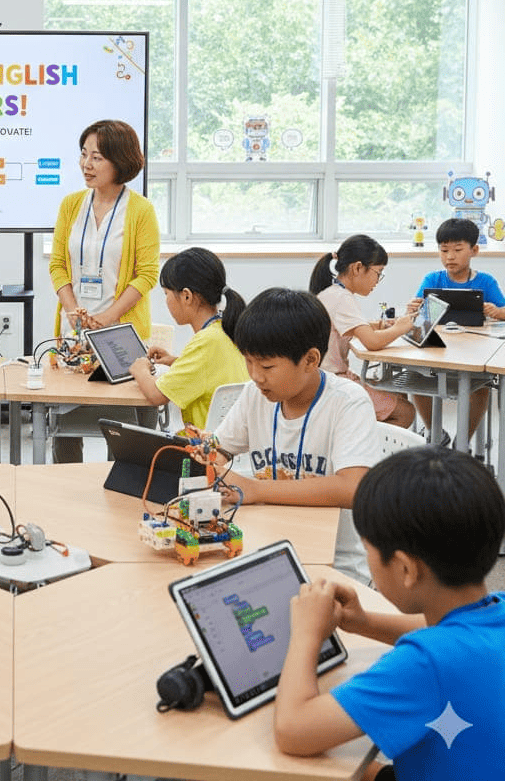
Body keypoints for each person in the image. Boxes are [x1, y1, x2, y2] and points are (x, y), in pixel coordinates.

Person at [274, 445, 505, 780]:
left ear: (405, 569)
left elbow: (293, 730)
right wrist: (364, 622)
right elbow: (442, 633)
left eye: (368, 548)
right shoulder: (493, 609)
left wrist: (306, 634)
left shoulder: (425, 664)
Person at [211, 287, 381, 578]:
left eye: (267, 366)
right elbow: (217, 450)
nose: (255, 376)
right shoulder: (255, 395)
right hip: (265, 550)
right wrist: (205, 458)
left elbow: (354, 488)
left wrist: (256, 489)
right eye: (248, 361)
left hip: (334, 565)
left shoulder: (347, 402)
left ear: (311, 360)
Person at [48, 119, 160, 461]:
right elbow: (57, 265)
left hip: (120, 332)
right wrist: (72, 311)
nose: (87, 164)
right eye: (84, 154)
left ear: (120, 160)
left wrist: (108, 317)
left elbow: (147, 274)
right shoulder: (71, 205)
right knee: (65, 421)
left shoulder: (140, 210)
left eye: (97, 157)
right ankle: (66, 484)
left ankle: (124, 482)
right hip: (74, 331)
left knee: (125, 430)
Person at [407, 217, 505, 445]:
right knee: (415, 379)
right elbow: (417, 318)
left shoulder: (485, 282)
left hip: (474, 355)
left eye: (457, 250)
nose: (449, 256)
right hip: (437, 353)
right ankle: (436, 433)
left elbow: (504, 311)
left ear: (474, 250)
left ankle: (462, 442)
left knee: (481, 390)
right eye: (444, 251)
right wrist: (412, 308)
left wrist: (498, 311)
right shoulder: (433, 279)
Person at [129, 247, 248, 429]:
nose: (166, 301)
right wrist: (175, 361)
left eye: (166, 294)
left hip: (203, 442)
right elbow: (213, 370)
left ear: (186, 296)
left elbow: (156, 395)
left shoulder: (206, 342)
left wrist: (140, 369)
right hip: (225, 439)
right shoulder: (224, 328)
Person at [308, 235, 416, 429]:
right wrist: (400, 328)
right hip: (332, 382)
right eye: (378, 272)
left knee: (398, 395)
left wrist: (381, 326)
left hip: (323, 378)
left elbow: (356, 328)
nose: (378, 280)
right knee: (406, 412)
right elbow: (372, 342)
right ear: (357, 268)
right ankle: (363, 442)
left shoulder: (333, 292)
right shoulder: (342, 298)